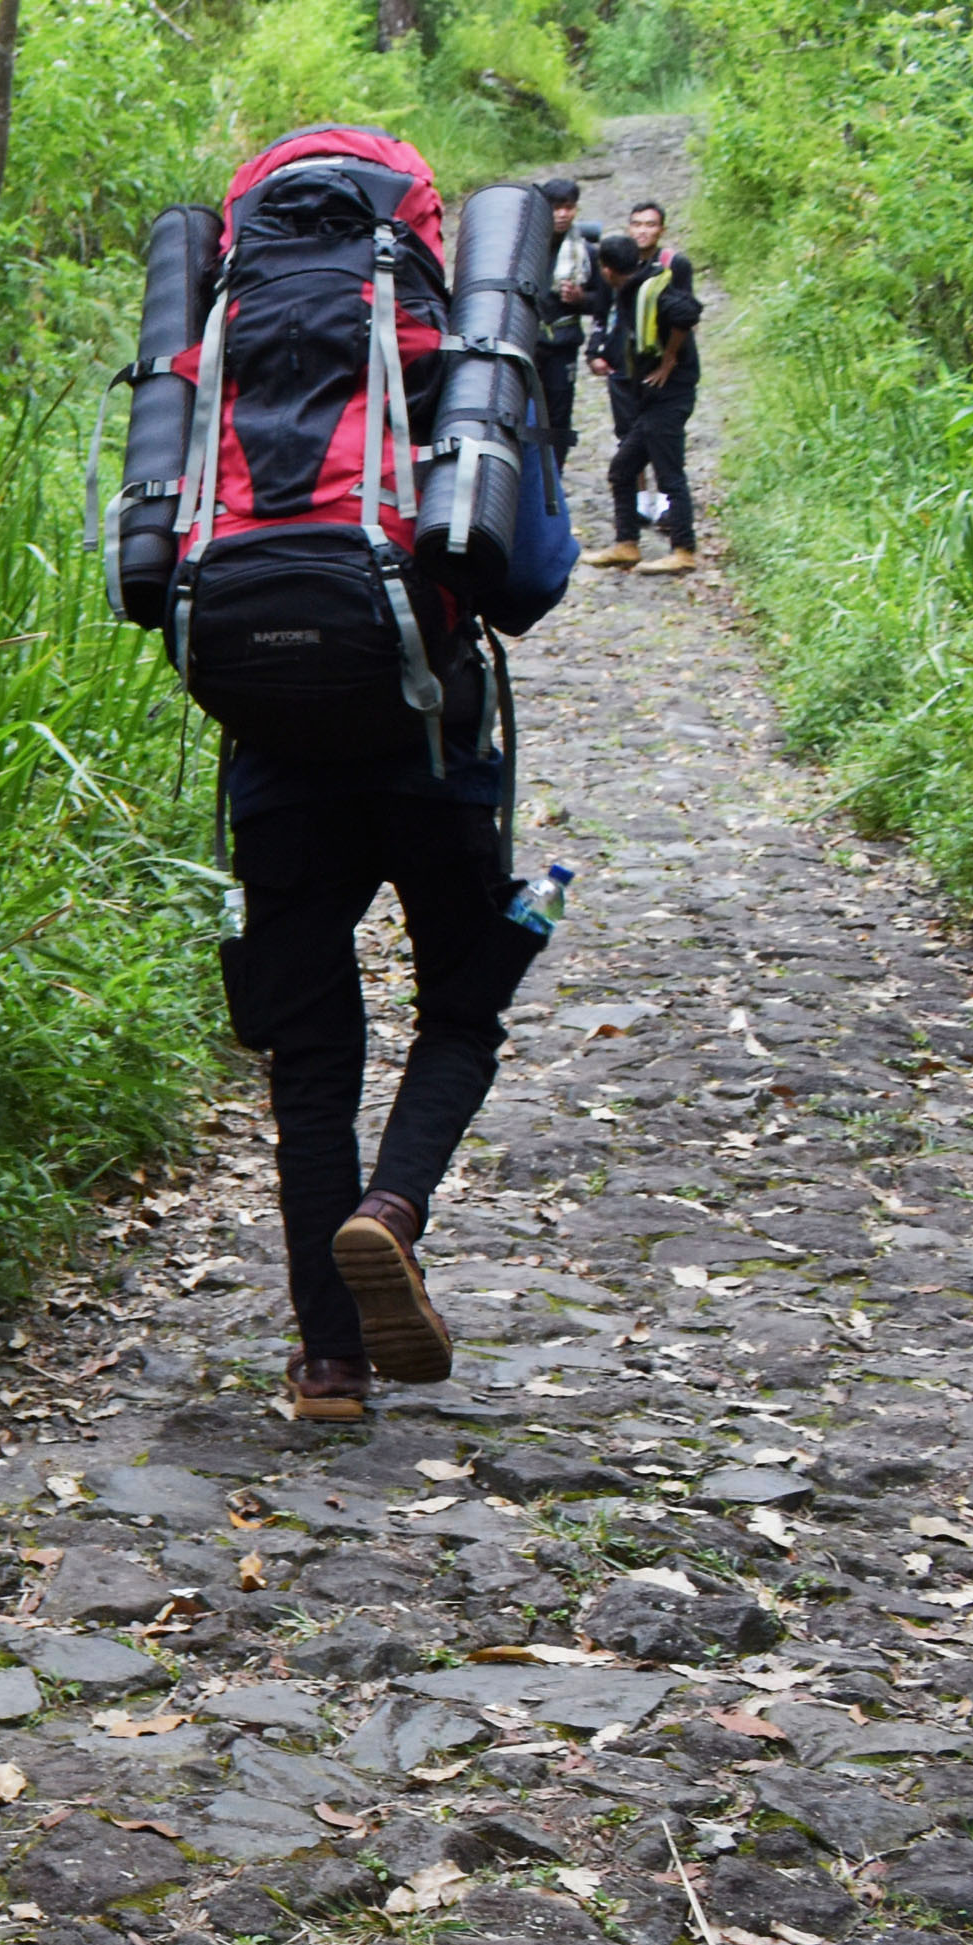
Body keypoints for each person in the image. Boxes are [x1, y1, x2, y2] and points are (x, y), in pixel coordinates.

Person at [219, 430, 578, 1421]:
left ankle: (331, 1364)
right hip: (433, 759)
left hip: (276, 769)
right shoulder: (457, 372)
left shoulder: (222, 385)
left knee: (310, 1063)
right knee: (460, 1015)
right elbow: (529, 582)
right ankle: (392, 1206)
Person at [586, 202, 704, 574]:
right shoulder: (629, 286)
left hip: (671, 393)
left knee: (670, 473)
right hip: (648, 396)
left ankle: (683, 550)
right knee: (623, 469)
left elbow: (687, 313)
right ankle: (627, 544)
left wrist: (669, 359)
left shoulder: (650, 288)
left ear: (607, 270)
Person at [532, 177, 590, 458]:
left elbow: (603, 302)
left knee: (559, 414)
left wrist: (581, 299)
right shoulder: (526, 247)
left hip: (562, 345)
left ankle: (555, 473)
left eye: (569, 207)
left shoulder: (584, 252)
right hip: (528, 343)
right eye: (556, 208)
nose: (563, 214)